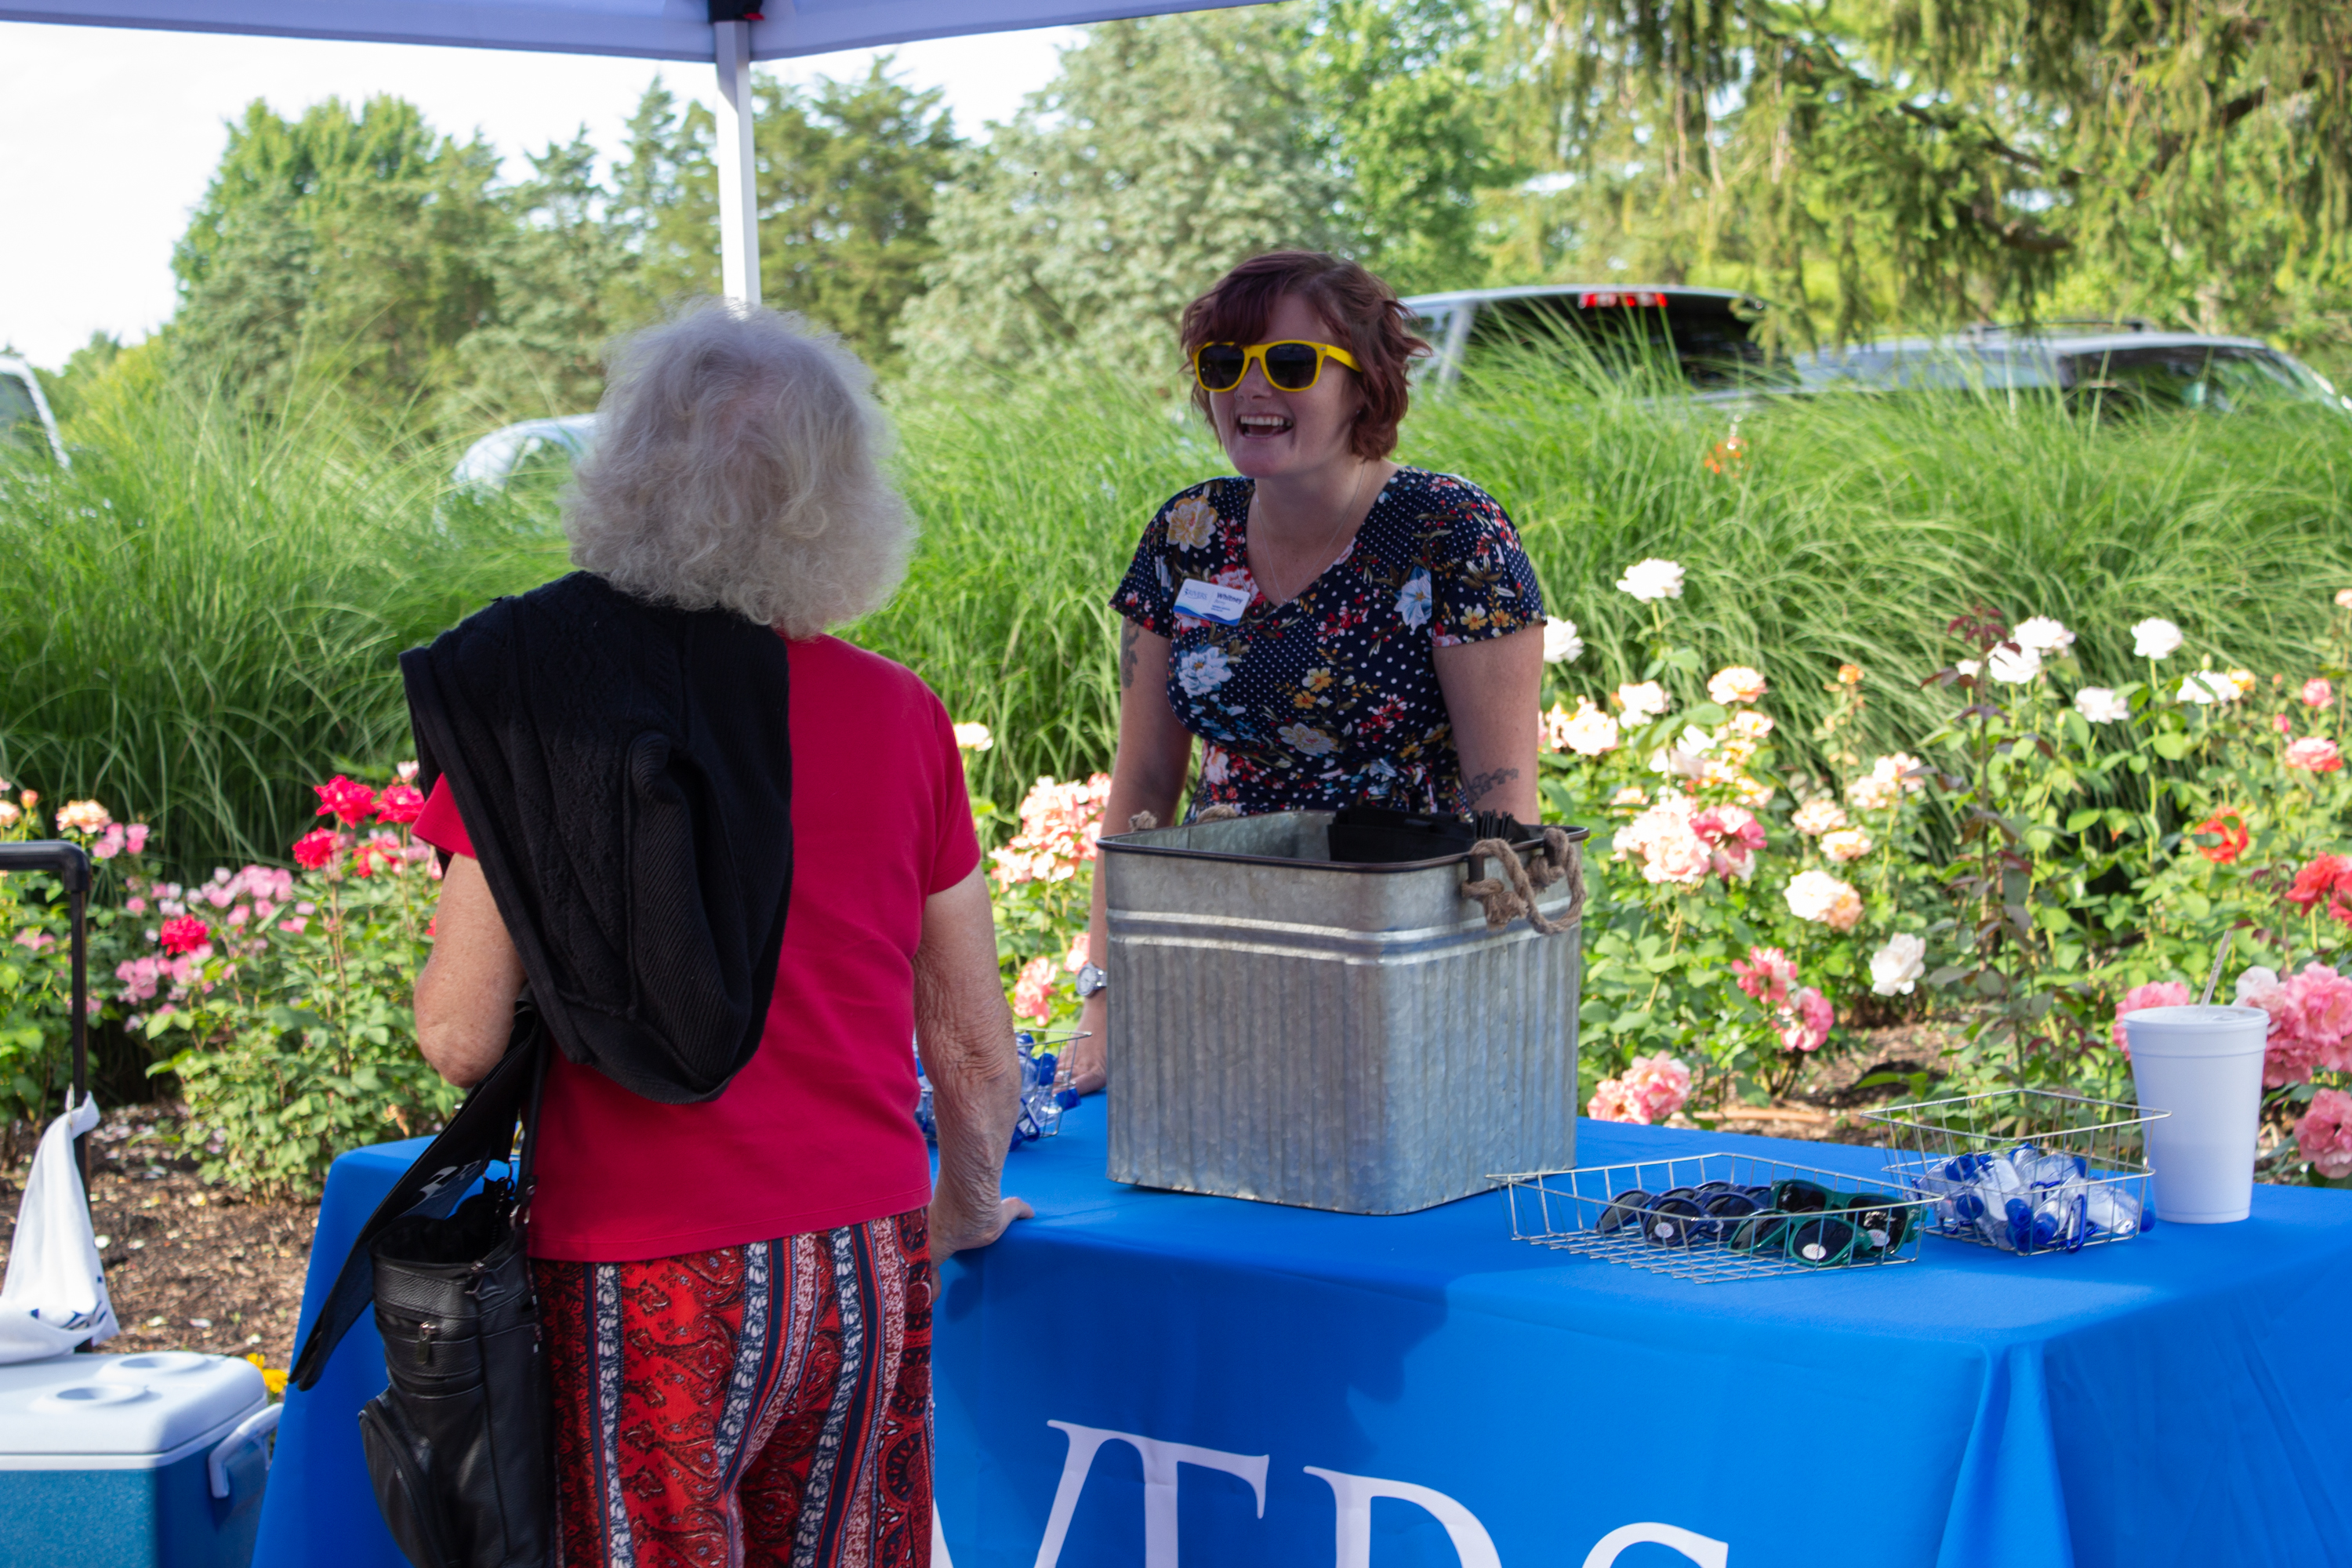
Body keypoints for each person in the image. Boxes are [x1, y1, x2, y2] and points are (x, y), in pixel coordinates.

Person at [410, 299, 1029, 1568]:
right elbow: (969, 1046)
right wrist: (964, 1206)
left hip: (645, 1270)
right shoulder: (901, 714)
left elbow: (461, 1037)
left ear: (625, 469)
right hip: (859, 1255)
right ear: (836, 498)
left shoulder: (548, 717)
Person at [1069, 251, 1544, 1093]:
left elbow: (1501, 799)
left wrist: (1494, 1015)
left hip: (1393, 950)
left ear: (1363, 385)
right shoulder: (1187, 532)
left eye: (1289, 363)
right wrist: (1103, 1001)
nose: (1252, 388)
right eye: (1226, 364)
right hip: (1215, 948)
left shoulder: (1449, 529)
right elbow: (1142, 783)